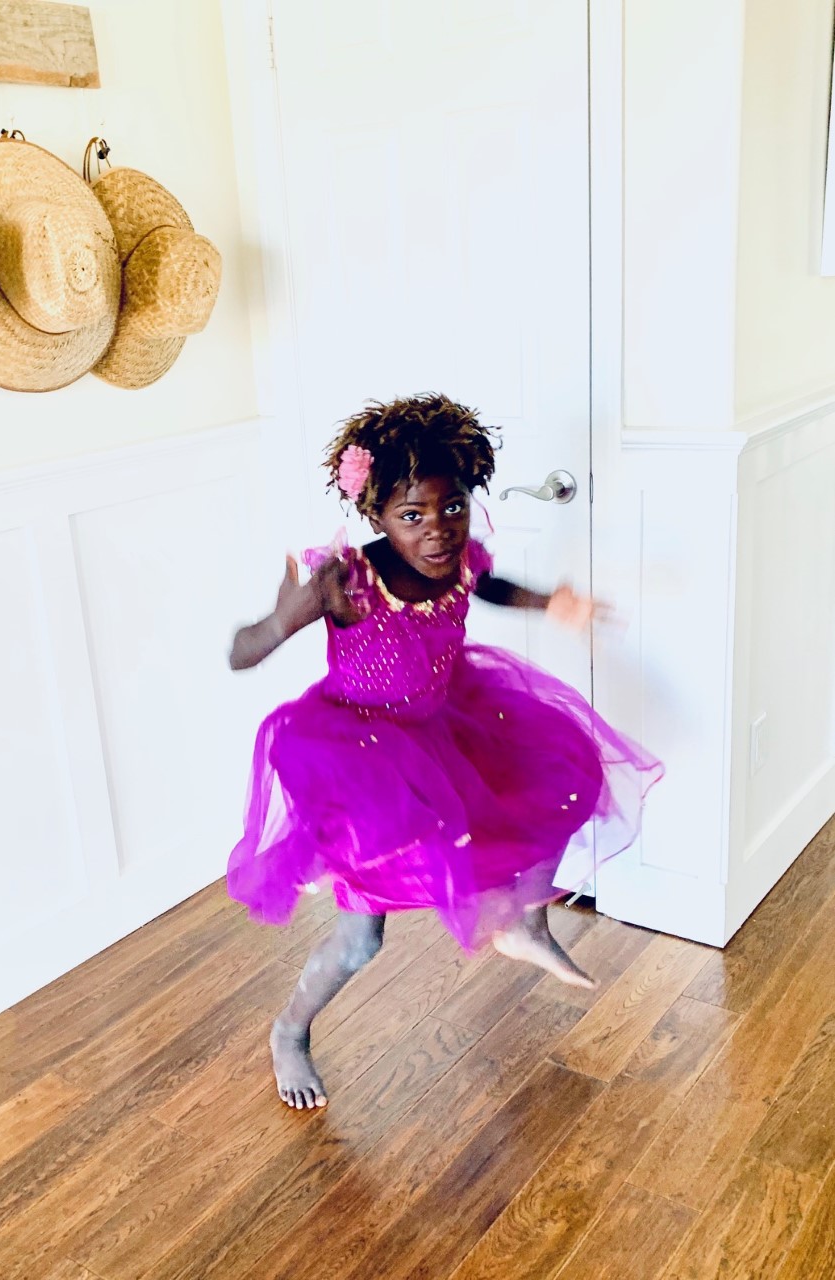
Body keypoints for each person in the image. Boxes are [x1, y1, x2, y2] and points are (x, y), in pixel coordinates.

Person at [227, 393, 661, 1110]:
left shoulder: (458, 560)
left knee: (563, 774)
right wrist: (279, 617)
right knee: (362, 942)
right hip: (362, 758)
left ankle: (525, 922)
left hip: (445, 723)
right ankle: (289, 1032)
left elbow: (487, 585)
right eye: (413, 516)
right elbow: (243, 653)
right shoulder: (345, 581)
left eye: (452, 507)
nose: (438, 530)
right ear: (374, 515)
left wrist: (549, 603)